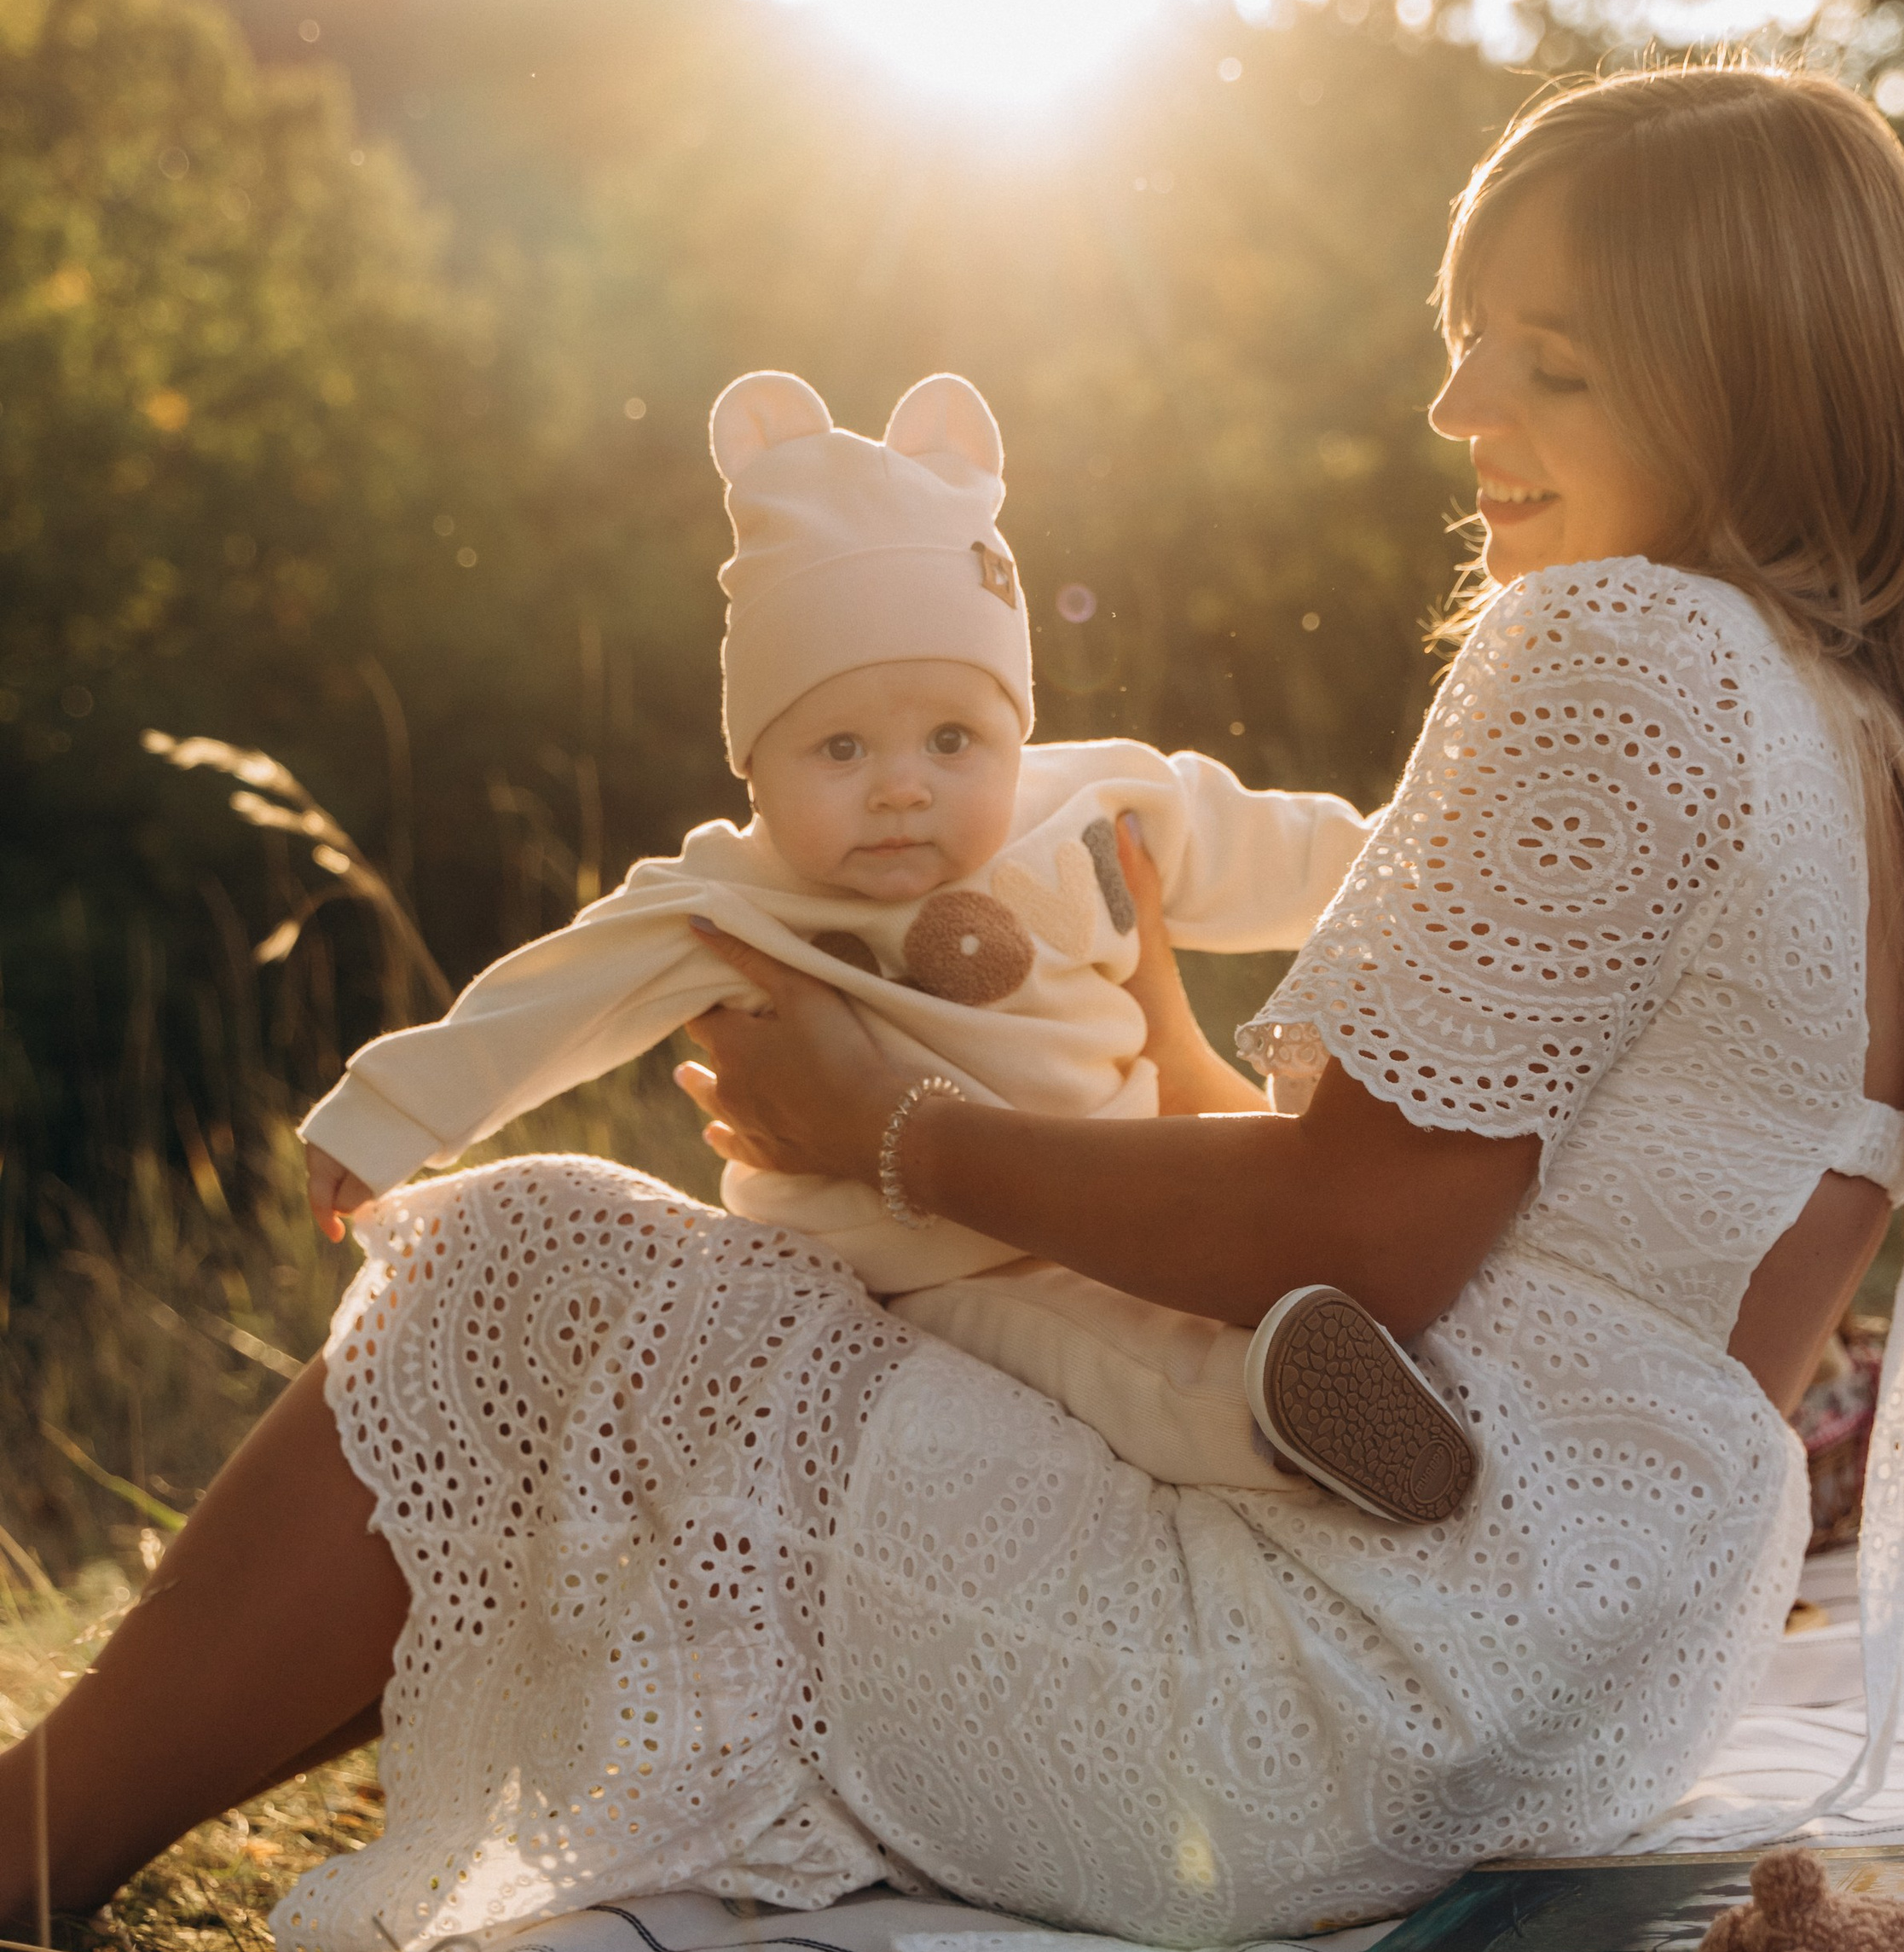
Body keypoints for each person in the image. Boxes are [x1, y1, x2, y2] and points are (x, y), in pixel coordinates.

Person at [0, 63, 1904, 1952]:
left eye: (1546, 359)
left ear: (1745, 386)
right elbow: (1615, 1323)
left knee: (522, 1266)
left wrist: (892, 1131)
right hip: (1579, 1704)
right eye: (1462, 336)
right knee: (820, 1337)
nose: (1456, 408)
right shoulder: (1885, 759)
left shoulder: (1620, 647)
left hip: (1320, 1697)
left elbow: (1363, 1245)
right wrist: (1165, 1050)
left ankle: (21, 1861)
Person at [298, 362, 1464, 1520]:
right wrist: (389, 1115)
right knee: (1105, 1358)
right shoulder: (737, 896)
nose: (902, 789)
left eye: (953, 740)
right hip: (914, 1269)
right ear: (754, 758)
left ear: (1017, 730)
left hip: (1121, 1192)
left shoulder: (1096, 804)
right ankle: (1283, 1422)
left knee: (1183, 1276)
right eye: (842, 751)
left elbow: (1293, 850)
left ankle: (1323, 1349)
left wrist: (1446, 861)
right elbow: (554, 998)